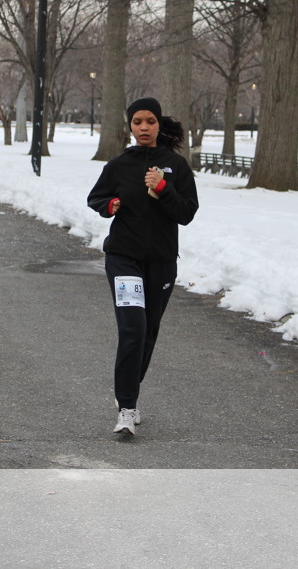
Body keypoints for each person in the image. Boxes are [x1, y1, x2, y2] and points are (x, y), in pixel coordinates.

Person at [87, 96, 199, 435]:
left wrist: (163, 188)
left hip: (161, 262)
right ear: (130, 126)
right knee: (133, 328)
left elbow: (186, 213)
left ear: (159, 124)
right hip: (124, 258)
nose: (144, 127)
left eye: (150, 121)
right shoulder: (119, 165)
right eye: (137, 122)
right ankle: (127, 407)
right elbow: (96, 197)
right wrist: (110, 205)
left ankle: (127, 389)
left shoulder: (176, 166)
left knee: (148, 332)